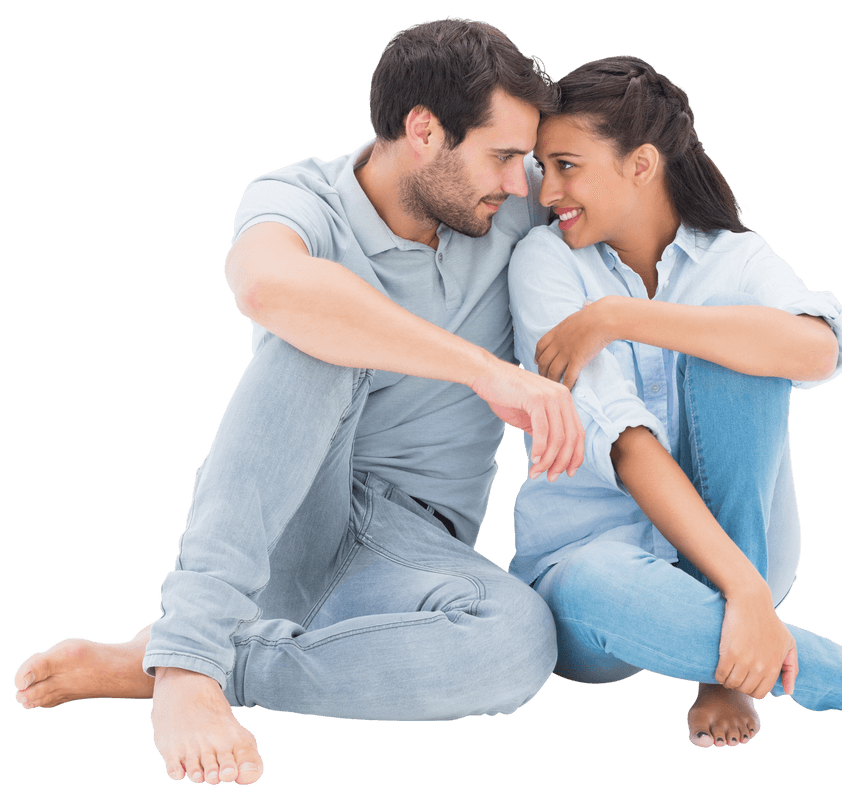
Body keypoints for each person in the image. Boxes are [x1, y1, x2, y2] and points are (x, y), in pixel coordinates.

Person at [13, 18, 585, 785]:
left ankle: (187, 663)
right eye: (504, 156)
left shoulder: (511, 207)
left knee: (521, 642)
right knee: (319, 328)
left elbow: (643, 218)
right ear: (423, 130)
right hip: (294, 516)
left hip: (410, 554)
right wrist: (485, 370)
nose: (522, 182)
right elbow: (263, 283)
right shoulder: (300, 196)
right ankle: (189, 655)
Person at [507, 55, 842, 748]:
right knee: (605, 584)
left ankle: (731, 658)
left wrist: (621, 316)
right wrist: (744, 593)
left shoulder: (731, 257)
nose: (545, 188)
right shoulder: (544, 260)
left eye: (565, 165)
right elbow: (624, 444)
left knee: (745, 348)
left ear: (642, 164)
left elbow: (816, 349)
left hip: (741, 542)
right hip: (589, 571)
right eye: (542, 167)